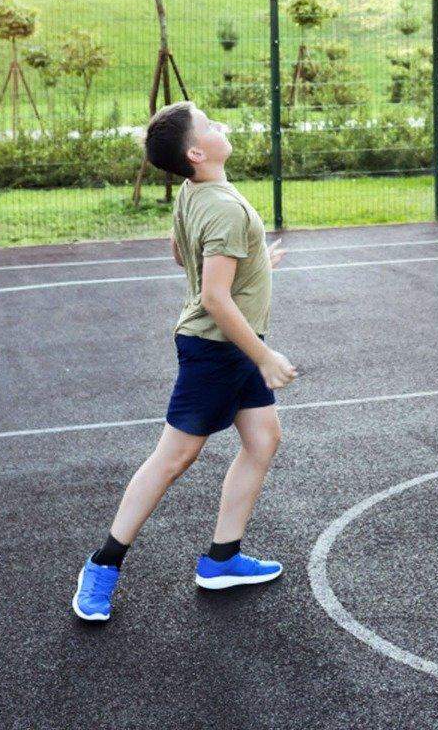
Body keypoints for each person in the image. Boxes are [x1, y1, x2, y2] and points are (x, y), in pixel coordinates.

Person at [72, 102, 297, 621]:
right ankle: (102, 566)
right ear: (197, 152)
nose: (223, 127)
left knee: (263, 440)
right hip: (219, 348)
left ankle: (222, 559)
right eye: (211, 126)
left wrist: (257, 261)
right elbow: (216, 297)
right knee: (173, 458)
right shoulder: (221, 205)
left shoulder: (194, 193)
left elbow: (181, 252)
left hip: (228, 346)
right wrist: (264, 356)